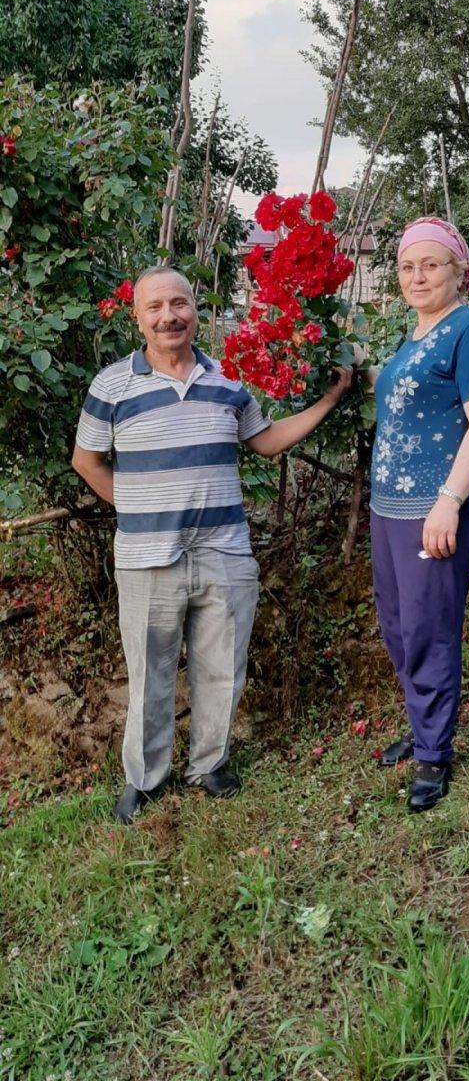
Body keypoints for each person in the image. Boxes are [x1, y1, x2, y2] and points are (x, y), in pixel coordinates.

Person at [72, 266, 352, 824]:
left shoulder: (228, 381)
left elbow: (266, 441)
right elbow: (87, 461)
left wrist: (329, 400)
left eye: (179, 303)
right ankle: (146, 779)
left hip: (224, 551)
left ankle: (209, 764)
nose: (168, 315)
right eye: (155, 307)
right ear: (138, 318)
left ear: (195, 310)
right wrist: (137, 510)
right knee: (149, 673)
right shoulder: (113, 385)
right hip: (148, 558)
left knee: (222, 667)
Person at [361, 217, 469, 813]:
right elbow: (403, 392)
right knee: (400, 625)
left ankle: (433, 754)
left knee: (429, 627)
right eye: (407, 266)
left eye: (431, 264)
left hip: (436, 509)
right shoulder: (416, 336)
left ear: (458, 271)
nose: (417, 275)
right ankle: (426, 728)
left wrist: (447, 501)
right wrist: (352, 374)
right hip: (389, 509)